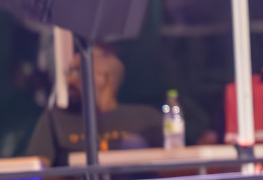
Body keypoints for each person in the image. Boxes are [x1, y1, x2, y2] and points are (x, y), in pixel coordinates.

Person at [24, 44, 161, 161]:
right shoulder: (55, 120)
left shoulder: (148, 119)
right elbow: (37, 172)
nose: (70, 80)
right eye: (69, 73)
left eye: (78, 72)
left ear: (105, 78)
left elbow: (172, 167)